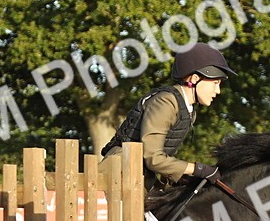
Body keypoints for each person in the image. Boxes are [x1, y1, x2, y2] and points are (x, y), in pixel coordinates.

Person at [99, 42, 235, 192]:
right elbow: (153, 157)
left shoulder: (188, 110)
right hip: (119, 174)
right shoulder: (166, 102)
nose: (218, 91)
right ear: (194, 79)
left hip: (140, 176)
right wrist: (198, 169)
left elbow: (164, 158)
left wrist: (185, 178)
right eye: (215, 83)